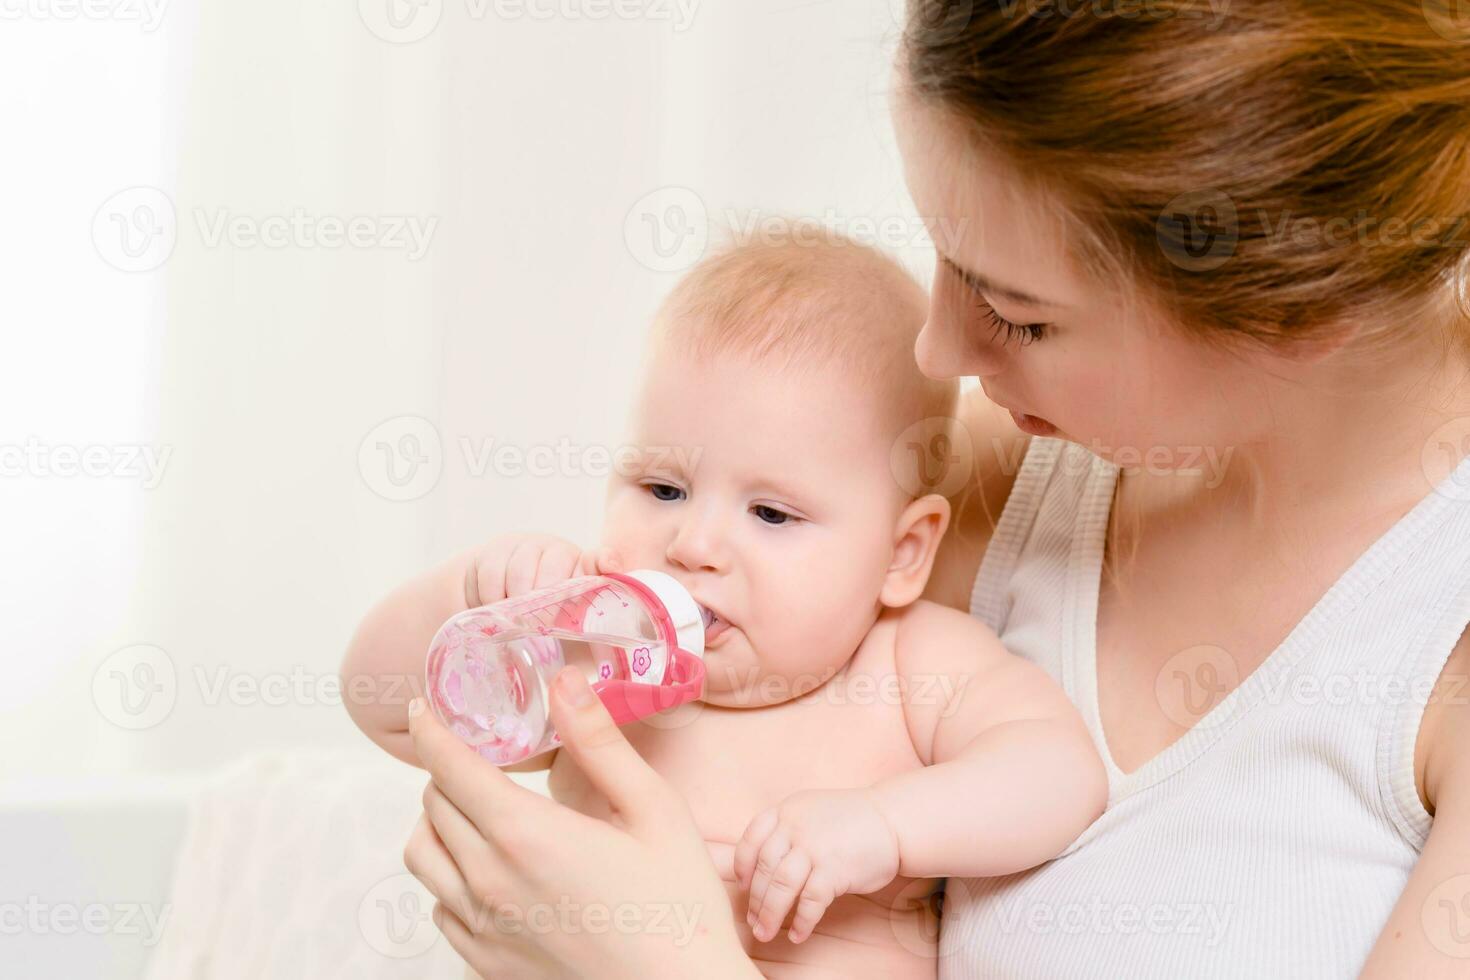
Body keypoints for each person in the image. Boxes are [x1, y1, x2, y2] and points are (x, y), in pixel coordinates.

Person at [397, 2, 1470, 975]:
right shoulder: (981, 478)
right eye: (944, 257)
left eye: (1018, 313)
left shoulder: (1431, 647)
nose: (937, 348)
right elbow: (405, 695)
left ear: (1293, 310)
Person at [345, 234, 1107, 977]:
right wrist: (476, 596)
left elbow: (1060, 776)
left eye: (771, 514)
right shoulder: (604, 656)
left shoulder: (912, 664)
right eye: (663, 489)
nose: (694, 543)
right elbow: (381, 701)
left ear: (902, 554)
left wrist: (887, 827)